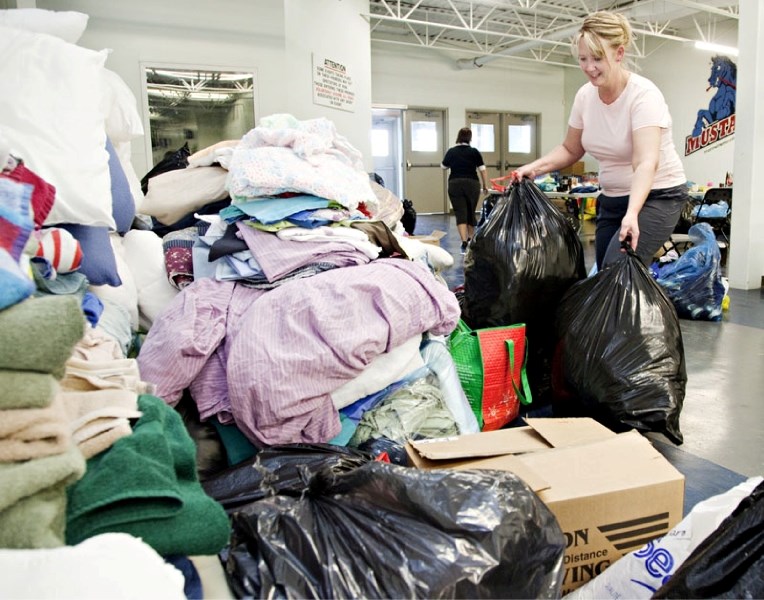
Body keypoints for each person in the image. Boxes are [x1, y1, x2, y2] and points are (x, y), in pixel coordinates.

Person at [512, 11, 688, 270]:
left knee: (617, 271)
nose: (589, 67)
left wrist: (632, 214)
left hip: (657, 197)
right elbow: (571, 148)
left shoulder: (643, 96)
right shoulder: (585, 96)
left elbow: (646, 162)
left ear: (619, 54)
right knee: (605, 272)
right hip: (612, 199)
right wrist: (534, 168)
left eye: (597, 58)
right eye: (583, 59)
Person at [441, 127, 490, 254]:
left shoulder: (452, 151)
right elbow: (483, 170)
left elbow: (443, 166)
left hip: (455, 183)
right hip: (472, 183)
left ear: (458, 137)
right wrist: (485, 185)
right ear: (470, 138)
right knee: (470, 211)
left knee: (460, 212)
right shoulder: (474, 152)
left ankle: (464, 241)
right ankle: (471, 239)